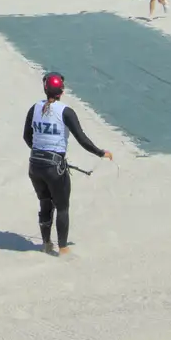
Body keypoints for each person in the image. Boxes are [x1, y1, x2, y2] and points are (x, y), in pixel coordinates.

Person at [23, 72, 111, 256]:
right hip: (54, 168)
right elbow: (82, 139)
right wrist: (100, 153)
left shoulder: (34, 108)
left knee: (45, 204)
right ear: (62, 91)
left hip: (35, 165)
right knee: (62, 207)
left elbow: (26, 136)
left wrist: (40, 151)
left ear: (45, 88)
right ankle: (63, 248)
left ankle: (46, 244)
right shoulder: (66, 112)